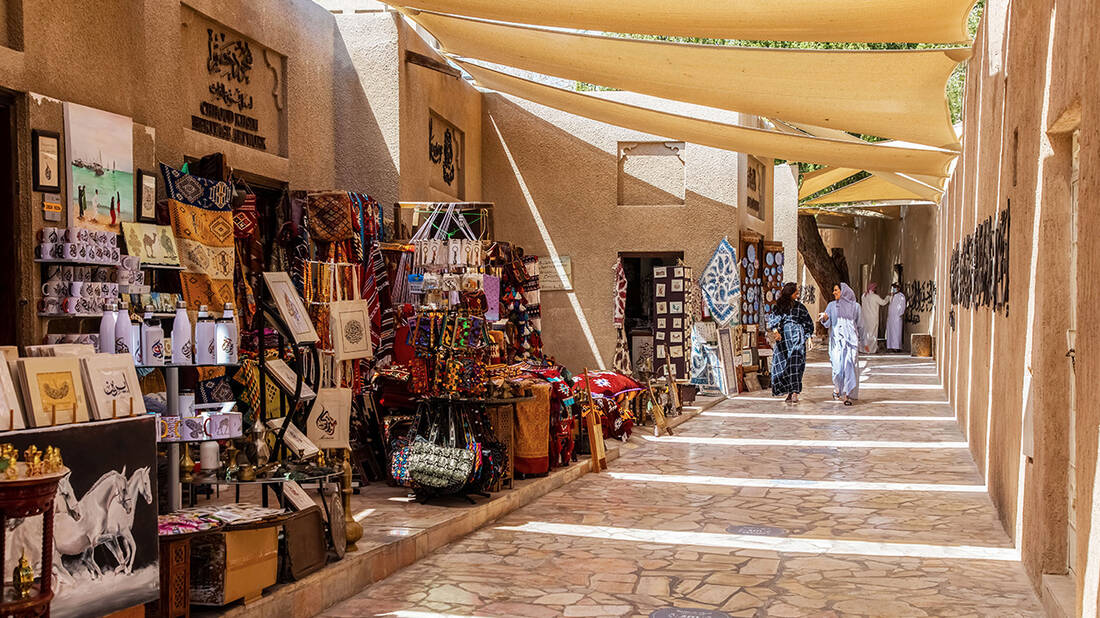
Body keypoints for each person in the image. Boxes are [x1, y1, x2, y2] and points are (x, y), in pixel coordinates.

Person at [767, 283, 815, 403]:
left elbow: (808, 322)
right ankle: (789, 392)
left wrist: (808, 337)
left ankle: (794, 392)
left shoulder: (800, 307)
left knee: (796, 364)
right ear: (790, 293)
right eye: (796, 293)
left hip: (797, 337)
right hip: (783, 339)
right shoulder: (779, 307)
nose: (797, 295)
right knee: (784, 365)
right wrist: (775, 331)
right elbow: (772, 320)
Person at [819, 283, 863, 405]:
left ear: (844, 291)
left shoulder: (856, 307)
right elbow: (827, 324)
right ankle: (837, 388)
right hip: (836, 343)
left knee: (849, 368)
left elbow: (860, 325)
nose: (834, 293)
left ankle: (847, 395)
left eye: (836, 290)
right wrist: (825, 318)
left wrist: (863, 341)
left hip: (850, 343)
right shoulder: (831, 306)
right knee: (838, 369)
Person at [860, 283, 890, 354]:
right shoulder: (875, 297)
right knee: (872, 334)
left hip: (865, 318)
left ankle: (864, 349)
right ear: (874, 289)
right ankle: (871, 350)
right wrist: (888, 297)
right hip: (873, 318)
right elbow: (883, 302)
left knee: (866, 333)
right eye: (875, 288)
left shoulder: (863, 296)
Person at [886, 282, 907, 352]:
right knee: (891, 331)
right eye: (893, 287)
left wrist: (900, 314)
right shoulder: (892, 295)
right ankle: (890, 346)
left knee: (897, 332)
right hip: (891, 317)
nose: (894, 289)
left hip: (897, 317)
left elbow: (903, 306)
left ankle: (897, 347)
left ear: (898, 288)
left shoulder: (901, 296)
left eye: (895, 287)